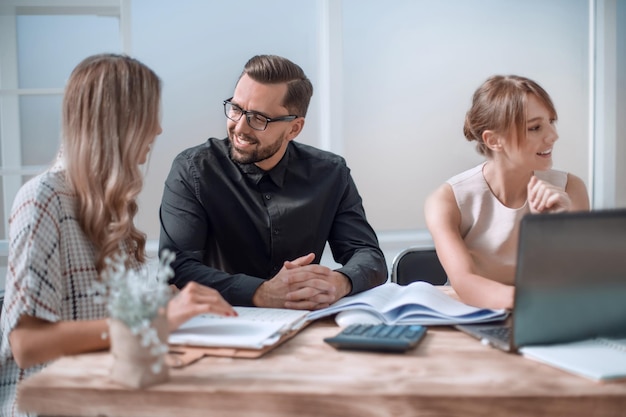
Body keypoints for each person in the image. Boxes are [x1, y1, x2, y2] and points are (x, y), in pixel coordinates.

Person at [0, 54, 236, 417]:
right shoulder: (42, 199)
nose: (157, 130)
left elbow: (95, 319)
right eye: (148, 115)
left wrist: (159, 303)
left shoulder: (105, 204)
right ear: (117, 121)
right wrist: (151, 321)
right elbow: (26, 344)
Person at [159, 54, 387, 310]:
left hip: (305, 325)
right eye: (236, 109)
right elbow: (176, 267)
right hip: (221, 324)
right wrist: (261, 292)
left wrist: (339, 282)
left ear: (294, 129)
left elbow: (369, 257)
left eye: (258, 118)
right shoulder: (192, 169)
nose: (240, 127)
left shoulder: (332, 173)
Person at [424, 75, 590, 310]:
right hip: (474, 317)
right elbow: (466, 283)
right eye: (535, 127)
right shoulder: (447, 200)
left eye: (551, 122)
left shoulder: (570, 189)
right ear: (493, 140)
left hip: (547, 316)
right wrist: (533, 301)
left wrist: (563, 227)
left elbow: (581, 282)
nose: (553, 136)